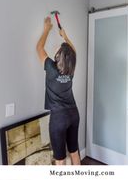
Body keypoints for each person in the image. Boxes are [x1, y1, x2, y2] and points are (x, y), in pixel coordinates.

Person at [36, 16, 81, 165]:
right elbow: (73, 52)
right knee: (74, 152)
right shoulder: (71, 69)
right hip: (74, 114)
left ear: (59, 55)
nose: (57, 48)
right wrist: (65, 36)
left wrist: (47, 29)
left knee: (60, 159)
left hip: (59, 118)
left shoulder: (51, 68)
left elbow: (39, 48)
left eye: (59, 48)